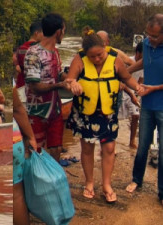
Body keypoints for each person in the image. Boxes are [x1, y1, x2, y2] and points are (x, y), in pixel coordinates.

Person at [65, 29, 143, 203]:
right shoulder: (79, 59)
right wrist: (74, 84)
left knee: (108, 148)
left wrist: (137, 88)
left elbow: (126, 77)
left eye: (100, 55)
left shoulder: (115, 60)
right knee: (87, 148)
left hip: (107, 113)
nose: (97, 59)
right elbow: (69, 80)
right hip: (85, 112)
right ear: (86, 54)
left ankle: (107, 185)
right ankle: (90, 182)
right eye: (92, 57)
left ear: (105, 48)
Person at [125, 14, 163, 206]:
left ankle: (162, 192)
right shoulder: (147, 44)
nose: (150, 39)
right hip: (147, 105)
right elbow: (145, 62)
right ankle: (136, 179)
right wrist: (127, 71)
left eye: (155, 36)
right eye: (148, 34)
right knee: (142, 146)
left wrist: (154, 87)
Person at [24, 13, 67, 162]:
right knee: (36, 149)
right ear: (58, 32)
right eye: (64, 30)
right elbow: (34, 86)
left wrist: (71, 80)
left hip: (55, 109)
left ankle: (52, 178)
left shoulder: (55, 52)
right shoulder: (33, 53)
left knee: (56, 148)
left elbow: (59, 73)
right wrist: (59, 85)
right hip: (37, 111)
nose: (64, 34)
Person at [13, 85, 37, 225]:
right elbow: (18, 110)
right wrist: (31, 137)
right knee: (16, 194)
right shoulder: (13, 85)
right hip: (14, 139)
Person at [118, 42, 144, 148]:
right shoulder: (127, 61)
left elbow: (141, 81)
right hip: (121, 90)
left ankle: (132, 141)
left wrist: (138, 94)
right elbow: (121, 79)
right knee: (115, 118)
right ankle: (112, 142)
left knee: (136, 115)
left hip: (133, 92)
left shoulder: (144, 65)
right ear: (138, 53)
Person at [16, 20, 44, 106]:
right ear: (37, 33)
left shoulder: (20, 48)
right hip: (34, 88)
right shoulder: (38, 49)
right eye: (43, 33)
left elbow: (18, 68)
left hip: (21, 87)